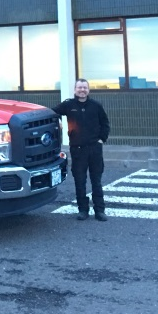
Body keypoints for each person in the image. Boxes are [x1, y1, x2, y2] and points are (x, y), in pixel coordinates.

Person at [52, 78, 110, 221]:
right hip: (77, 149)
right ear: (75, 90)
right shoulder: (68, 105)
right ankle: (83, 210)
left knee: (96, 180)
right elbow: (52, 112)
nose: (82, 90)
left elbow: (105, 123)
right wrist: (58, 120)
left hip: (95, 149)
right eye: (79, 87)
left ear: (88, 90)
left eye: (85, 87)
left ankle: (100, 211)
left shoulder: (96, 106)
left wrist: (102, 139)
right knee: (80, 181)